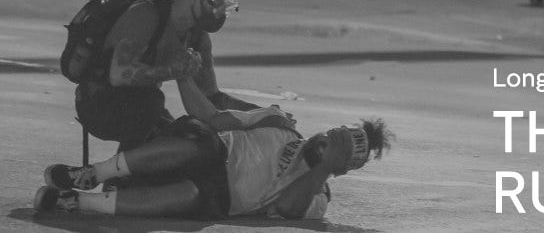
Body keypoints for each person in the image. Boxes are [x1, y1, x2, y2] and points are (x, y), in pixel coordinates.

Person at [35, 75, 392, 220]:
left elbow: (286, 208)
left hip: (219, 192)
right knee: (203, 142)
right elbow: (213, 116)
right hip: (202, 148)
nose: (328, 144)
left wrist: (323, 168)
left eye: (339, 151)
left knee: (197, 195)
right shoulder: (280, 123)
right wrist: (183, 74)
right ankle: (89, 174)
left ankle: (77, 203)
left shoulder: (318, 197)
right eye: (334, 136)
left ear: (343, 168)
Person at [75, 0, 261, 152]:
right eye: (217, 4)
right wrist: (172, 70)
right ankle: (116, 177)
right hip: (98, 103)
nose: (221, 13)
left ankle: (107, 174)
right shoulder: (145, 15)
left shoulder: (197, 36)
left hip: (143, 107)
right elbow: (119, 74)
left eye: (228, 7)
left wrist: (261, 114)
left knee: (196, 140)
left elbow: (211, 95)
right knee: (152, 104)